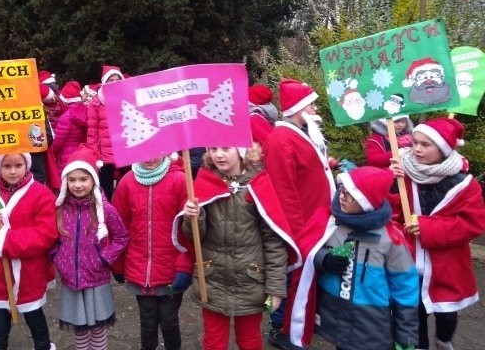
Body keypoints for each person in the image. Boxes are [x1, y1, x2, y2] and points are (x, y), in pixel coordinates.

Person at [286, 166, 419, 349]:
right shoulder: (330, 222)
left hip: (371, 327)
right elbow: (304, 248)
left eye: (350, 194)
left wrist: (407, 336)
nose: (341, 196)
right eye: (342, 190)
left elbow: (405, 290)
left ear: (367, 202)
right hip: (334, 319)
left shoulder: (391, 240)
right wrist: (323, 259)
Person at [178, 147, 298, 350]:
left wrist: (276, 289)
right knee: (214, 342)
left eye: (225, 149)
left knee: (250, 341)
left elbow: (273, 242)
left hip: (250, 281)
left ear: (242, 151)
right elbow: (195, 237)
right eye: (213, 149)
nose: (219, 155)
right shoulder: (205, 182)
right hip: (212, 279)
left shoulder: (258, 185)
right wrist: (194, 217)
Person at [390, 117, 485, 350]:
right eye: (415, 143)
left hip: (447, 264)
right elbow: (390, 212)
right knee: (413, 314)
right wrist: (390, 180)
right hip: (409, 259)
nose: (417, 149)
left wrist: (428, 227)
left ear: (443, 149)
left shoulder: (465, 184)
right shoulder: (403, 174)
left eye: (426, 145)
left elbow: (472, 223)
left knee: (446, 314)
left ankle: (443, 339)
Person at [262, 78, 335, 349]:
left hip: (316, 222)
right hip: (300, 227)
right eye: (312, 105)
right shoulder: (281, 139)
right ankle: (280, 328)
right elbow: (284, 191)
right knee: (290, 278)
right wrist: (295, 233)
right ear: (299, 108)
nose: (316, 110)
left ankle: (302, 319)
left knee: (305, 278)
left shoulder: (299, 133)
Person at [0, 153, 58, 350]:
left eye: (18, 165)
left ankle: (43, 346)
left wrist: (5, 239)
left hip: (29, 273)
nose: (13, 171)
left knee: (35, 318)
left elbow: (46, 234)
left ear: (27, 165)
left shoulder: (42, 194)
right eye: (7, 166)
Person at [52, 144, 129, 350]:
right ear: (65, 181)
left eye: (83, 179)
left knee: (97, 328)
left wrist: (103, 259)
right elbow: (51, 237)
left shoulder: (105, 208)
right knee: (79, 328)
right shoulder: (59, 209)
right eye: (72, 179)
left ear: (93, 180)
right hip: (71, 279)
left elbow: (121, 236)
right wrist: (57, 256)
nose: (77, 185)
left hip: (96, 278)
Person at [112, 154, 192, 350]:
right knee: (147, 321)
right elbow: (119, 226)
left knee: (169, 320)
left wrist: (185, 265)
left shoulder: (180, 180)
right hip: (139, 269)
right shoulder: (127, 182)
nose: (149, 157)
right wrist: (118, 263)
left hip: (171, 269)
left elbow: (189, 232)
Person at [87, 65, 126, 200]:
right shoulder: (96, 103)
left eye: (117, 79)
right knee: (106, 190)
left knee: (125, 187)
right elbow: (92, 132)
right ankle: (106, 216)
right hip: (105, 154)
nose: (114, 82)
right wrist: (94, 153)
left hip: (124, 150)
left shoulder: (127, 99)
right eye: (111, 80)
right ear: (105, 82)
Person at [52, 80, 88, 176]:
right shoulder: (87, 111)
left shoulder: (66, 117)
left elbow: (58, 142)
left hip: (67, 157)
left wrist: (52, 153)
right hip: (83, 154)